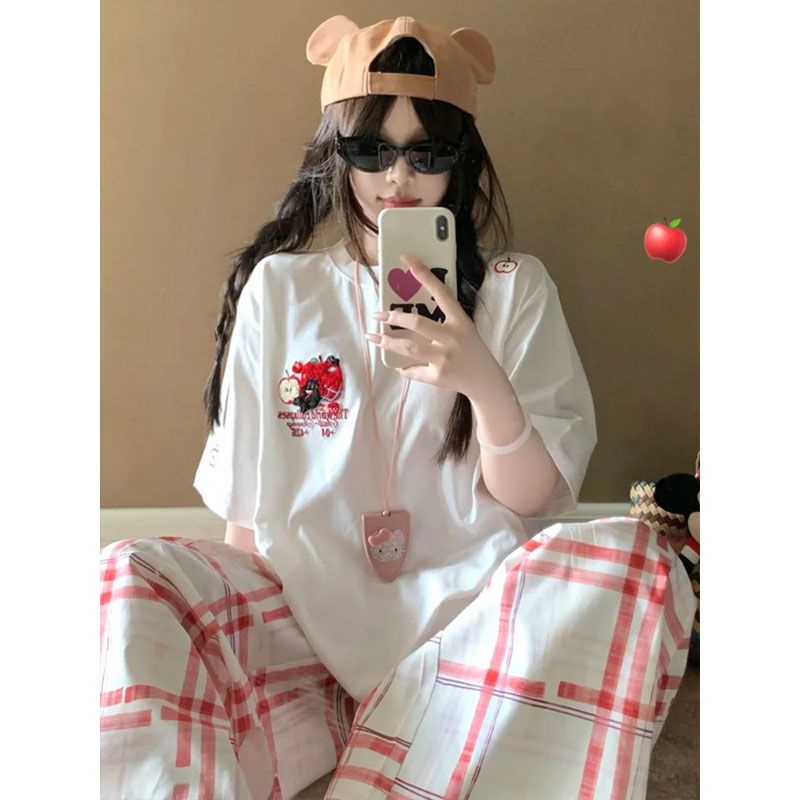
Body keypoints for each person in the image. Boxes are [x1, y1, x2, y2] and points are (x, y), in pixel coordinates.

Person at [100, 15, 697, 799]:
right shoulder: (281, 288)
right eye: (372, 150)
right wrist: (232, 627)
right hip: (300, 641)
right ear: (336, 153)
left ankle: (388, 765)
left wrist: (481, 379)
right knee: (127, 572)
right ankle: (403, 750)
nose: (399, 177)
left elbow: (533, 501)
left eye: (428, 152)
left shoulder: (515, 289)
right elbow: (247, 515)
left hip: (470, 642)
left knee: (640, 565)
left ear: (461, 159)